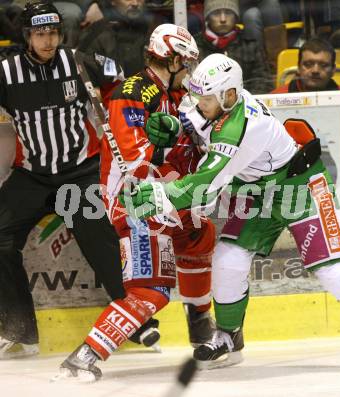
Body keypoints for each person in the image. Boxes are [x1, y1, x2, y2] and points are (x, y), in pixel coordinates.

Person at [122, 53, 340, 370]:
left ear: (230, 95)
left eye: (205, 98)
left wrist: (158, 194)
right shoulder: (221, 103)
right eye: (198, 95)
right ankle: (227, 335)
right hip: (258, 191)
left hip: (301, 188)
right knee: (228, 259)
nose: (199, 103)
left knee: (333, 270)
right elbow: (193, 119)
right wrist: (174, 127)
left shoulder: (243, 129)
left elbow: (202, 186)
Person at [0, 0, 160, 360]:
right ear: (27, 36)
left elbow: (123, 82)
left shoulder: (78, 60)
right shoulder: (6, 72)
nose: (48, 40)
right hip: (33, 175)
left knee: (98, 235)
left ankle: (133, 319)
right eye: (41, 33)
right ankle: (20, 331)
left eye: (53, 32)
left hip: (79, 171)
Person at [56, 23, 216, 381]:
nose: (188, 71)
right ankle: (85, 355)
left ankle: (200, 323)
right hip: (134, 201)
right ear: (172, 60)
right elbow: (135, 160)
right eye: (185, 63)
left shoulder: (173, 96)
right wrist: (167, 147)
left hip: (162, 196)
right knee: (151, 291)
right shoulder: (133, 92)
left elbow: (182, 151)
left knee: (198, 234)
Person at [195, 0, 273, 94]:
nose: (223, 19)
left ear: (236, 17)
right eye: (216, 13)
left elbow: (263, 81)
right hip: (207, 104)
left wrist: (246, 101)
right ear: (207, 18)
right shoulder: (196, 46)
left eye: (228, 13)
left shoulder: (250, 44)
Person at [77, 0, 153, 77]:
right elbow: (83, 69)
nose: (135, 3)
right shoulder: (97, 33)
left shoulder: (155, 31)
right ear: (112, 1)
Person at [272, 37, 340, 94]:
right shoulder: (274, 99)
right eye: (308, 64)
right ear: (298, 67)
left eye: (323, 65)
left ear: (333, 70)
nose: (315, 70)